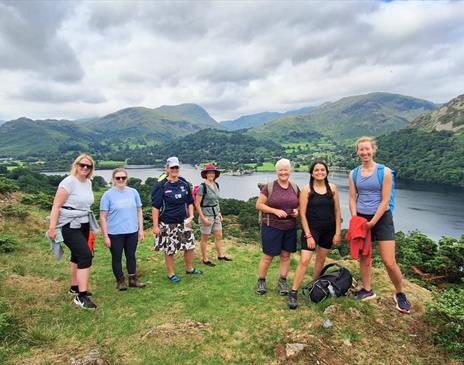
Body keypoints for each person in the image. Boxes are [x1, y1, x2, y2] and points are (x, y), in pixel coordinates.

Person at [349, 136, 411, 314]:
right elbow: (353, 198)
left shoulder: (384, 172)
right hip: (361, 218)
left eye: (367, 149)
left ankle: (400, 293)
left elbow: (385, 201)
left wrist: (373, 222)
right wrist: (355, 219)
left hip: (382, 218)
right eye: (361, 149)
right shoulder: (353, 174)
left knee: (389, 261)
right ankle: (367, 289)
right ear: (357, 152)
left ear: (373, 150)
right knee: (364, 256)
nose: (365, 152)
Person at [288, 161, 342, 309]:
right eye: (316, 170)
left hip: (329, 229)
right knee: (304, 260)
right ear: (312, 173)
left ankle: (314, 287)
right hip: (312, 229)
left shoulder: (333, 189)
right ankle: (293, 292)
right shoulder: (307, 190)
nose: (320, 172)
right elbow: (302, 214)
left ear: (327, 172)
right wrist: (308, 235)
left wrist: (337, 232)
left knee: (321, 258)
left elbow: (337, 212)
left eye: (322, 170)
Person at [47, 154, 98, 309]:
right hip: (68, 224)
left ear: (91, 169)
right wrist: (52, 227)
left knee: (77, 255)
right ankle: (81, 296)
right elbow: (56, 206)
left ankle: (74, 287)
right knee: (85, 255)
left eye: (88, 166)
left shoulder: (88, 182)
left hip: (83, 223)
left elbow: (85, 205)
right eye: (81, 165)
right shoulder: (68, 182)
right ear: (76, 165)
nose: (84, 168)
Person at [151, 157, 202, 282]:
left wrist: (191, 216)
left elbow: (190, 202)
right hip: (168, 222)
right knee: (170, 249)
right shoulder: (161, 185)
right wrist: (155, 226)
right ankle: (171, 273)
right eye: (172, 167)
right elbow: (155, 207)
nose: (174, 170)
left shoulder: (184, 183)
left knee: (190, 246)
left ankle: (189, 268)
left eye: (176, 167)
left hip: (184, 221)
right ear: (167, 169)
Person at [255, 158, 299, 295]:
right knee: (268, 256)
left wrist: (297, 210)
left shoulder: (295, 187)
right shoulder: (269, 187)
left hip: (290, 227)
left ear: (290, 171)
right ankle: (261, 281)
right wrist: (275, 211)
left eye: (286, 169)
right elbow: (259, 205)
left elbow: (299, 203)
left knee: (286, 256)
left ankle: (282, 281)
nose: (283, 172)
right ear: (276, 171)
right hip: (271, 226)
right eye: (281, 170)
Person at [100, 168, 145, 291]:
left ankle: (133, 279)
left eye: (123, 178)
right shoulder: (107, 195)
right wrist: (105, 236)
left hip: (132, 231)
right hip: (114, 233)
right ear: (113, 179)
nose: (120, 180)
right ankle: (120, 281)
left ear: (127, 179)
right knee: (117, 257)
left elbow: (139, 210)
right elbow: (103, 217)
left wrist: (141, 230)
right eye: (118, 178)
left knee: (131, 256)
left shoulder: (134, 192)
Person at [195, 163, 231, 267]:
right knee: (205, 238)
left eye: (213, 173)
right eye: (209, 173)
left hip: (215, 215)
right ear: (205, 174)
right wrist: (202, 218)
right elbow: (197, 204)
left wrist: (219, 212)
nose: (211, 174)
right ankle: (205, 259)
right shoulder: (202, 187)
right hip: (206, 215)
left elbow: (216, 200)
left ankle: (220, 255)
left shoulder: (216, 185)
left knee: (219, 235)